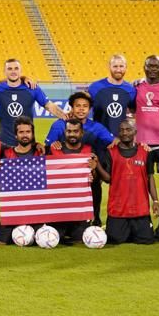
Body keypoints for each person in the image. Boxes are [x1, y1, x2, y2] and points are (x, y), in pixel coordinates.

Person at [44, 91, 115, 226]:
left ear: (89, 109)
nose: (81, 109)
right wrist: (53, 144)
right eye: (78, 106)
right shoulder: (59, 125)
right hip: (64, 173)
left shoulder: (96, 127)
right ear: (72, 107)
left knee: (94, 184)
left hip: (88, 170)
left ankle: (95, 218)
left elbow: (112, 142)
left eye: (85, 106)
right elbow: (47, 149)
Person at [94, 120, 158, 244]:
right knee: (114, 240)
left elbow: (150, 177)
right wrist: (97, 165)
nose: (124, 133)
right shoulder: (111, 152)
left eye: (128, 129)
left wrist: (155, 200)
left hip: (140, 210)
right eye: (122, 130)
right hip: (118, 210)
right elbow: (108, 179)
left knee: (147, 240)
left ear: (135, 131)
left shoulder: (145, 152)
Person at [0, 58, 65, 146]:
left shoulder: (32, 88)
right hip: (5, 143)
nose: (13, 71)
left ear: (21, 71)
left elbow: (49, 106)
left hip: (28, 143)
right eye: (9, 69)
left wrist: (66, 117)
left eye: (16, 68)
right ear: (4, 71)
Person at [44, 118, 96, 244]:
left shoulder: (89, 151)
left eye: (75, 131)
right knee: (55, 240)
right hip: (58, 210)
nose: (72, 134)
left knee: (80, 240)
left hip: (79, 211)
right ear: (65, 132)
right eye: (69, 131)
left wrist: (93, 171)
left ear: (81, 133)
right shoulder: (54, 149)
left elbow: (94, 179)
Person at [0, 116, 44, 245]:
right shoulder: (6, 154)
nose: (25, 135)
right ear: (16, 135)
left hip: (36, 213)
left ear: (32, 134)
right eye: (21, 132)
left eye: (28, 132)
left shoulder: (42, 154)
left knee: (41, 241)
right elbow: (0, 181)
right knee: (2, 243)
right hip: (13, 211)